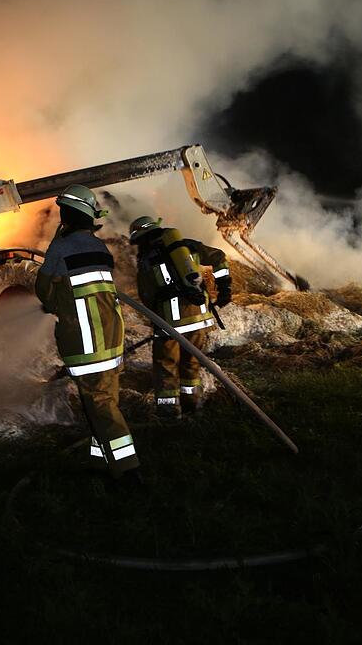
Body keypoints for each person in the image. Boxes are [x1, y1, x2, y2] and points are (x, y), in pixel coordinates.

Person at [35, 185, 141, 483]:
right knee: (106, 400)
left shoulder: (62, 247)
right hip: (111, 337)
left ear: (66, 216)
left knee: (100, 404)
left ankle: (128, 470)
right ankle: (101, 462)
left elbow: (43, 289)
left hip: (86, 339)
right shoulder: (99, 247)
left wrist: (54, 303)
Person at [129, 216, 231, 418]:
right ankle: (191, 406)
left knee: (166, 367)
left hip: (169, 324)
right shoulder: (186, 247)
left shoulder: (147, 259)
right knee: (191, 364)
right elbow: (219, 257)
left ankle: (168, 413)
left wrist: (155, 317)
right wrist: (224, 288)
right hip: (199, 319)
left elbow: (147, 294)